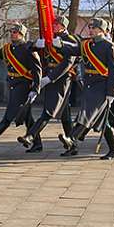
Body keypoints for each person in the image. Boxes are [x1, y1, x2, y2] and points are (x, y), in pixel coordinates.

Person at [55, 17, 114, 160]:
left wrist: (111, 92)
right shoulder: (86, 45)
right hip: (89, 85)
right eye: (90, 28)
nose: (91, 30)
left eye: (94, 28)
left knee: (87, 113)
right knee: (103, 121)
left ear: (102, 30)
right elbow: (73, 50)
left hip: (102, 86)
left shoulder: (109, 46)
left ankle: (72, 137)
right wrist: (59, 46)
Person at [18, 15, 79, 154]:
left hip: (62, 79)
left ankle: (30, 136)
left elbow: (67, 63)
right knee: (64, 114)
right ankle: (73, 145)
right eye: (54, 24)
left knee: (48, 111)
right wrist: (35, 44)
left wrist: (50, 78)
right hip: (50, 77)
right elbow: (27, 47)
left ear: (63, 26)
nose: (54, 27)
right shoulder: (49, 39)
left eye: (57, 25)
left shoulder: (71, 41)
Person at [0, 23, 42, 152]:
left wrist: (35, 89)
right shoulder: (7, 48)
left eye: (15, 32)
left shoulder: (28, 48)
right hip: (13, 84)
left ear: (21, 34)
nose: (12, 34)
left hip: (23, 85)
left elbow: (37, 70)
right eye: (11, 32)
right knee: (27, 117)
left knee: (8, 116)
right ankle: (37, 144)